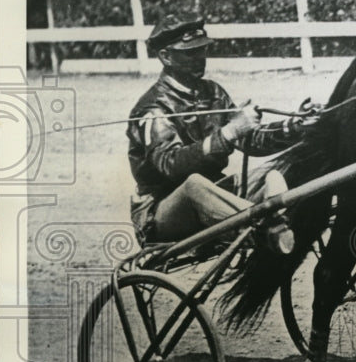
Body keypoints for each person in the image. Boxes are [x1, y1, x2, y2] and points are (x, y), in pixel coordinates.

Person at [127, 13, 315, 249]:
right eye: (190, 52)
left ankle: (269, 219)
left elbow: (250, 140)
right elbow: (172, 166)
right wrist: (229, 132)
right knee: (194, 184)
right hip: (161, 213)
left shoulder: (213, 92)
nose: (200, 58)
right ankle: (264, 227)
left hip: (214, 198)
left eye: (203, 50)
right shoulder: (153, 108)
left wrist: (295, 126)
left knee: (275, 169)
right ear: (166, 56)